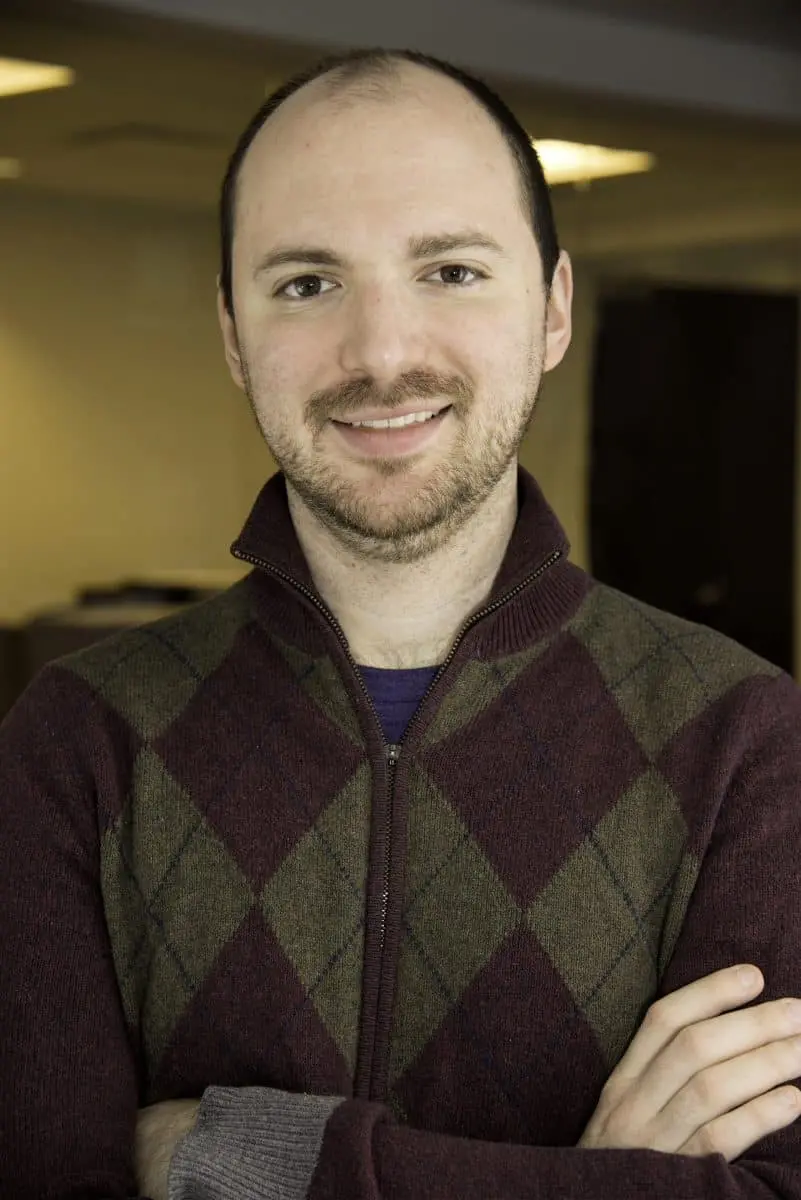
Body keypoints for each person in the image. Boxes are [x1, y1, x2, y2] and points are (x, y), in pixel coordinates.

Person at [2, 46, 801, 1200]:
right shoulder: (74, 746)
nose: (381, 355)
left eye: (452, 271)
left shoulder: (746, 743)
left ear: (553, 309)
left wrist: (247, 1163)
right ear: (234, 333)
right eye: (307, 283)